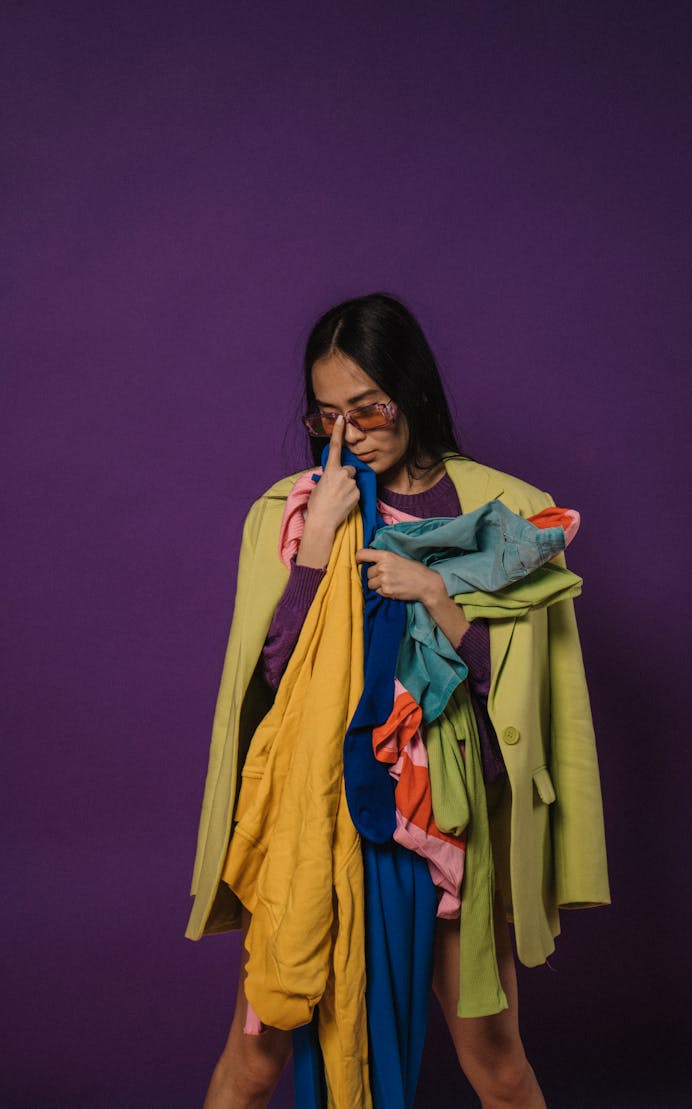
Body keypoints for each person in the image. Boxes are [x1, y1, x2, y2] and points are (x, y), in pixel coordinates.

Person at [186, 293, 610, 1109]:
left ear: (412, 392)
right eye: (328, 414)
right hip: (323, 818)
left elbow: (531, 696)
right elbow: (274, 684)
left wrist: (439, 602)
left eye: (370, 407)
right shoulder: (293, 508)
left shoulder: (505, 514)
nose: (350, 432)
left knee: (498, 1064)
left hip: (453, 825)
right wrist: (314, 553)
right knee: (256, 1059)